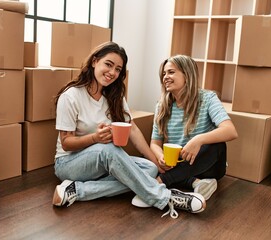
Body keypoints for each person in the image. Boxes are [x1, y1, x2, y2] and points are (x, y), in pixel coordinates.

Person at [51, 42, 206, 219]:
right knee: (110, 150)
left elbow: (132, 130)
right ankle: (166, 197)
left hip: (102, 162)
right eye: (108, 65)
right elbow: (66, 143)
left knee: (148, 169)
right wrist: (95, 138)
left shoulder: (114, 96)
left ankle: (77, 190)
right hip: (69, 163)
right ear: (95, 62)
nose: (112, 73)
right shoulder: (71, 96)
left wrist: (156, 163)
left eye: (118, 69)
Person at [132, 55, 238, 207]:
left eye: (171, 72)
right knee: (151, 162)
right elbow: (154, 143)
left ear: (187, 75)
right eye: (164, 74)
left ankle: (156, 186)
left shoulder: (208, 99)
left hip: (207, 166)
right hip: (180, 165)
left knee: (218, 144)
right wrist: (161, 157)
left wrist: (198, 140)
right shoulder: (162, 106)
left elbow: (231, 131)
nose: (165, 77)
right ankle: (196, 183)